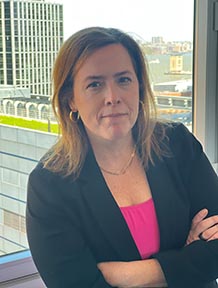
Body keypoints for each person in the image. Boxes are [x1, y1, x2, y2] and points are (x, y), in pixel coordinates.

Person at [26, 27, 218, 288]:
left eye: (124, 80)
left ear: (139, 85)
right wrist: (185, 260)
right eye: (94, 84)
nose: (113, 97)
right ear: (71, 99)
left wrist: (125, 275)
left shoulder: (177, 144)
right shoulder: (49, 184)